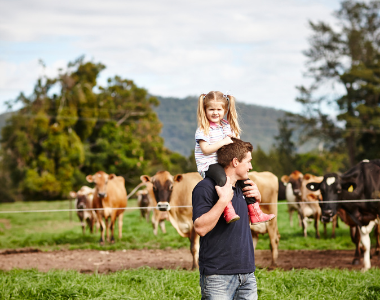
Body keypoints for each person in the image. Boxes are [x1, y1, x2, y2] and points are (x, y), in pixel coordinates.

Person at [192, 138, 259, 300]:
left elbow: (241, 226)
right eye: (248, 162)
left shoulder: (243, 188)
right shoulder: (205, 188)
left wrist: (257, 200)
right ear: (235, 162)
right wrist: (223, 201)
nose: (251, 166)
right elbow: (200, 228)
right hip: (218, 276)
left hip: (247, 274)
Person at [195, 91, 274, 224]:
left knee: (245, 180)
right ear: (205, 110)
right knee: (222, 179)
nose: (215, 113)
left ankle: (255, 212)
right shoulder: (203, 129)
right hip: (209, 164)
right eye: (211, 109)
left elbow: (232, 142)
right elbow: (206, 150)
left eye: (219, 109)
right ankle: (227, 210)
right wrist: (223, 142)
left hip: (224, 162)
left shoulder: (226, 126)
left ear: (225, 110)